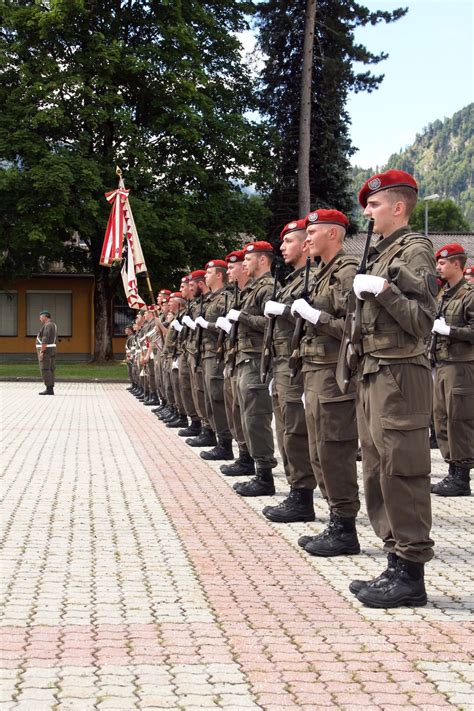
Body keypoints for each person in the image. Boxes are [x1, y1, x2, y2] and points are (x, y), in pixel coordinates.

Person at [349, 169, 438, 608]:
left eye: (375, 204)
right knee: (377, 472)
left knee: (403, 471)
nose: (367, 212)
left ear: (398, 207)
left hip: (401, 374)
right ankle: (395, 561)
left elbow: (423, 321)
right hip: (375, 373)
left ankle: (412, 572)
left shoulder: (414, 251)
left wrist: (383, 291)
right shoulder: (381, 253)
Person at [290, 210, 361, 552]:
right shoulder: (319, 273)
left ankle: (345, 527)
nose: (307, 240)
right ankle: (335, 519)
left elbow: (353, 327)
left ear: (333, 234)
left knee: (334, 449)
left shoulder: (346, 272)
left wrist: (315, 316)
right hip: (314, 370)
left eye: (313, 233)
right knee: (319, 450)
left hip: (334, 373)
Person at [260, 219, 316, 522]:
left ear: (306, 244)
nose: (283, 247)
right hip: (283, 363)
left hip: (299, 365)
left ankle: (303, 496)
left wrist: (284, 310)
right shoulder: (293, 281)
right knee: (284, 431)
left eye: (289, 241)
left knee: (295, 432)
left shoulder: (313, 277)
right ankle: (297, 490)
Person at [226, 241, 277, 496]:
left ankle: (265, 475)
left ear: (262, 260)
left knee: (256, 418)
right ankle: (252, 463)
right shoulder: (250, 290)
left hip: (257, 359)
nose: (244, 264)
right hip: (244, 358)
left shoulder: (267, 288)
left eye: (248, 259)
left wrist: (242, 317)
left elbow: (272, 325)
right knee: (245, 416)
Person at [431, 243, 473, 496]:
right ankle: (451, 470)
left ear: (457, 265)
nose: (438, 267)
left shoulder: (469, 293)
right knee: (442, 418)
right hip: (443, 363)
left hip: (462, 365)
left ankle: (462, 476)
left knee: (460, 420)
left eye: (443, 263)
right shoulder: (444, 294)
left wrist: (450, 331)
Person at [218, 251, 255, 477]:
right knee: (235, 410)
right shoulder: (238, 295)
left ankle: (256, 465)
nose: (229, 270)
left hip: (251, 358)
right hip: (235, 356)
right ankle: (243, 454)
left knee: (251, 416)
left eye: (232, 267)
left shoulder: (263, 289)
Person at [196, 259, 234, 460]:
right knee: (209, 398)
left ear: (219, 276)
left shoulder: (225, 298)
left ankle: (225, 443)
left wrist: (207, 325)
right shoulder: (210, 299)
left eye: (209, 273)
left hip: (216, 353)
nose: (205, 277)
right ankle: (216, 437)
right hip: (205, 353)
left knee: (217, 399)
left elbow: (225, 327)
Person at [36, 310, 58, 395]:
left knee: (45, 368)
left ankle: (49, 389)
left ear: (45, 317)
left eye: (41, 317)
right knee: (51, 369)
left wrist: (42, 351)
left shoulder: (48, 325)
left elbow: (45, 338)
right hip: (52, 349)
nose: (40, 319)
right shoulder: (53, 324)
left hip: (47, 350)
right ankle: (50, 388)